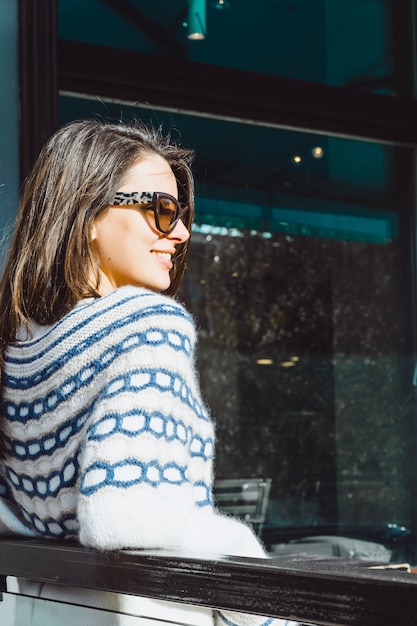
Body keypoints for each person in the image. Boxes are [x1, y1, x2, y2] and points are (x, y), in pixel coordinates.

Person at [0, 120, 298, 626]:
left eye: (180, 214)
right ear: (88, 215)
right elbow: (132, 519)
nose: (181, 233)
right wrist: (243, 565)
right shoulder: (148, 326)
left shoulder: (19, 349)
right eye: (161, 210)